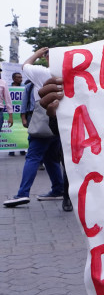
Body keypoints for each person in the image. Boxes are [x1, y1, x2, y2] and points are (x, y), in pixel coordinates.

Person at [4, 48, 65, 209]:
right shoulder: (69, 75)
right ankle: (58, 189)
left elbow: (25, 65)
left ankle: (22, 194)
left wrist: (38, 54)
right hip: (61, 122)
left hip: (43, 121)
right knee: (51, 158)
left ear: (47, 58)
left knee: (33, 157)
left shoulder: (42, 72)